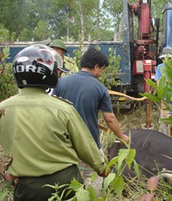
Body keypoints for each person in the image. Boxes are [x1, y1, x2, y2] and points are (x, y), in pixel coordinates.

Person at [0, 44, 109, 201]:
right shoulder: (63, 109)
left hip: (27, 187)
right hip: (65, 184)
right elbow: (86, 146)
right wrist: (102, 168)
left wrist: (5, 173)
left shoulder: (3, 108)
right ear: (49, 74)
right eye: (58, 72)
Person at [52, 47, 129, 194]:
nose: (101, 73)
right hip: (89, 144)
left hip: (63, 144)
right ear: (96, 67)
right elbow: (110, 119)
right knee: (94, 180)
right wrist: (122, 136)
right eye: (102, 69)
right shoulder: (100, 89)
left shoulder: (61, 83)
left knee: (68, 183)